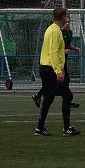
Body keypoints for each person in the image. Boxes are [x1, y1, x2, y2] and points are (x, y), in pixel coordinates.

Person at [34, 7, 79, 137]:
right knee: (66, 95)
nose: (68, 18)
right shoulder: (55, 31)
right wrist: (58, 71)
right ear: (63, 17)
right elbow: (54, 52)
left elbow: (56, 52)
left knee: (50, 98)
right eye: (67, 15)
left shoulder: (53, 29)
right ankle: (66, 128)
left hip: (48, 68)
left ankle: (40, 127)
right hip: (49, 69)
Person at [32, 18, 80, 109]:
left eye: (69, 22)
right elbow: (56, 49)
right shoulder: (57, 32)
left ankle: (66, 99)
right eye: (66, 22)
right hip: (55, 61)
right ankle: (64, 99)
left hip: (63, 59)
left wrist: (75, 49)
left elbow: (66, 45)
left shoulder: (69, 33)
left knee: (64, 80)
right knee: (53, 83)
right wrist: (63, 52)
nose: (68, 24)